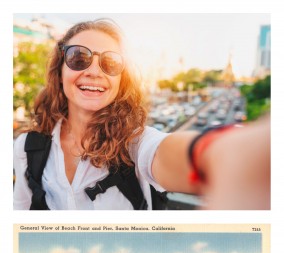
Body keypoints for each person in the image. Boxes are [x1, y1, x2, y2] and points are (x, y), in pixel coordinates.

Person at [13, 18, 270, 210]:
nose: (94, 71)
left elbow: (165, 152)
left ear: (121, 80)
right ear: (60, 70)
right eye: (78, 57)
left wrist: (223, 153)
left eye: (110, 62)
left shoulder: (134, 144)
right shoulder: (27, 148)